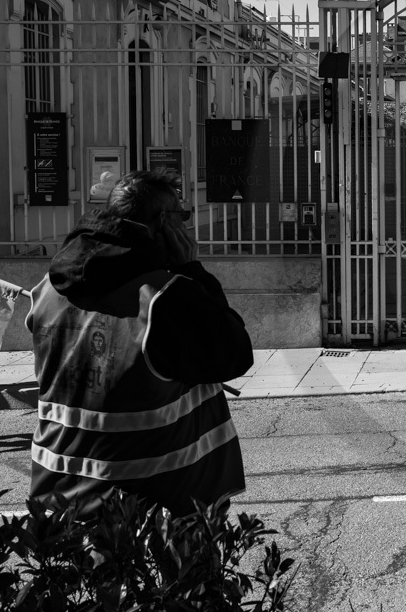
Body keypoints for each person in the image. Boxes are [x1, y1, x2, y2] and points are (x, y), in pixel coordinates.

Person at [26, 170, 253, 517]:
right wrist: (193, 269)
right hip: (155, 504)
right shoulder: (164, 297)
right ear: (163, 222)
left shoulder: (48, 288)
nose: (187, 226)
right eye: (182, 216)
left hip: (60, 495)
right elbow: (234, 354)